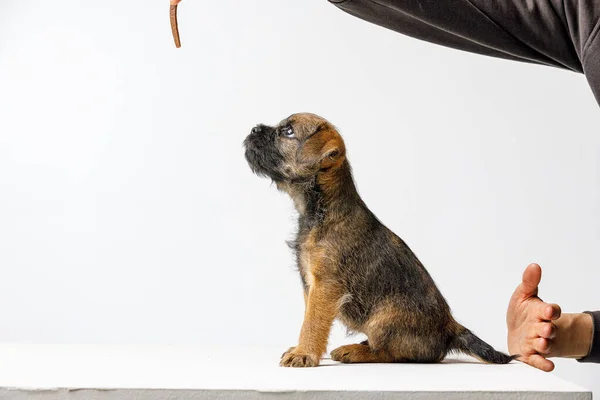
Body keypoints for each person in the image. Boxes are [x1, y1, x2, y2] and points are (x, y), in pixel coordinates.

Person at [174, 0, 600, 370]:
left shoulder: (338, 213)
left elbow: (328, 287)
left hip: (409, 333)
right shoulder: (583, 15)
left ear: (326, 159)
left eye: (287, 134)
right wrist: (571, 333)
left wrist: (310, 348)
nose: (273, 135)